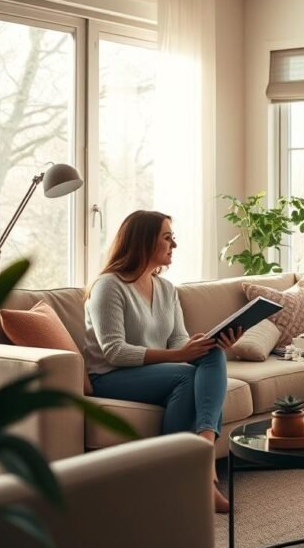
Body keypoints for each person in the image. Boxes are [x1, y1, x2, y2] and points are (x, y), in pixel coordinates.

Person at [84, 210, 241, 513]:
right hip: (112, 375)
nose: (174, 245)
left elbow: (178, 340)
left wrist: (202, 344)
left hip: (157, 371)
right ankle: (190, 477)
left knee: (212, 354)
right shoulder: (109, 286)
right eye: (167, 237)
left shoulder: (167, 289)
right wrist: (179, 356)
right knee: (185, 377)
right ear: (143, 241)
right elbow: (114, 351)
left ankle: (203, 451)